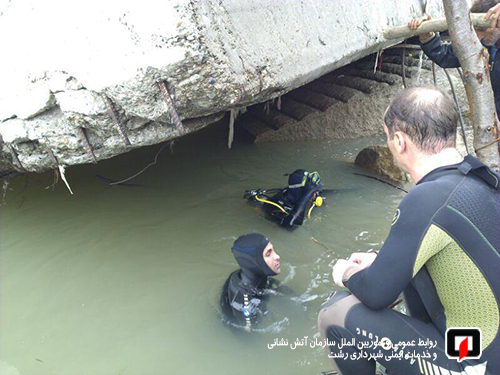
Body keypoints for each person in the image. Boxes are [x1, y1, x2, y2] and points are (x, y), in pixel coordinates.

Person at [317, 87, 500, 375]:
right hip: (486, 344)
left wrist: (346, 273)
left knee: (335, 311)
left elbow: (376, 293)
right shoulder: (484, 178)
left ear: (399, 141)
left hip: (473, 360)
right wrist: (380, 261)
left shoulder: (427, 198)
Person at [408, 0, 500, 115]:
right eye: (474, 29)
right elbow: (445, 56)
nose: (476, 36)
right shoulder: (483, 45)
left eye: (482, 29)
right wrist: (427, 34)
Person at [220, 233, 281, 331]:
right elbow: (248, 335)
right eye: (268, 254)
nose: (277, 256)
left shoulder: (252, 275)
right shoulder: (245, 305)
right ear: (254, 263)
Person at [244, 169, 324, 228]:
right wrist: (305, 197)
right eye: (311, 191)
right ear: (303, 193)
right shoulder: (277, 208)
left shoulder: (304, 195)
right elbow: (291, 226)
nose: (315, 194)